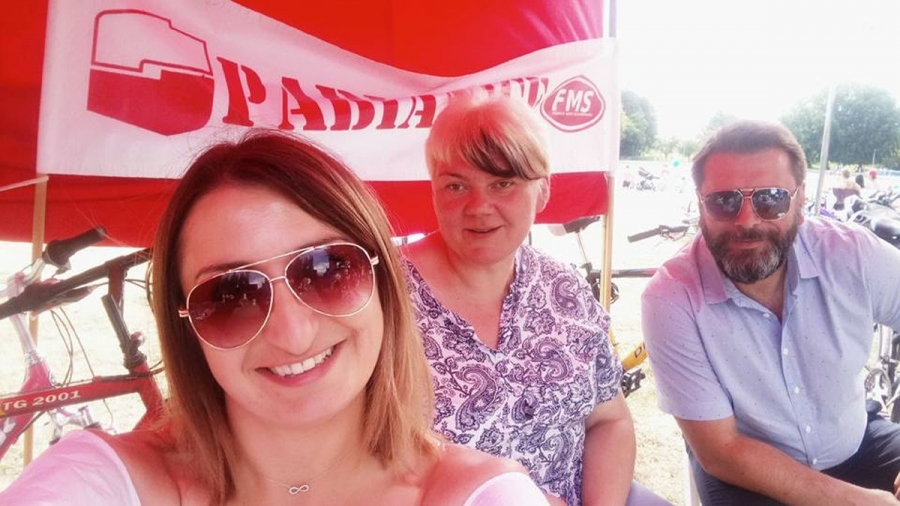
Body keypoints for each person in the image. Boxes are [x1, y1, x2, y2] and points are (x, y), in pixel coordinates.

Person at [0, 130, 551, 505]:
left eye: (328, 269)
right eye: (230, 295)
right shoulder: (106, 480)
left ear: (384, 284)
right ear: (187, 325)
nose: (292, 333)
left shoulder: (479, 494)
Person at [402, 92, 669, 506]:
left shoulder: (566, 290)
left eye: (503, 183)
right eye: (456, 185)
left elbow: (608, 420)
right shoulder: (382, 298)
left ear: (542, 191)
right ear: (434, 192)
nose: (479, 206)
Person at [642, 120, 900, 505]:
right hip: (746, 467)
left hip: (855, 439)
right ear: (700, 205)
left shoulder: (853, 255)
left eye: (771, 199)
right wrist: (855, 501)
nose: (747, 221)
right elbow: (721, 450)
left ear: (800, 201)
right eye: (724, 201)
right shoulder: (671, 298)